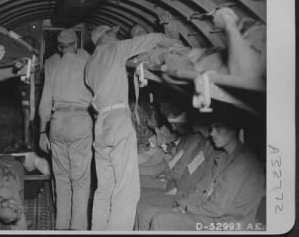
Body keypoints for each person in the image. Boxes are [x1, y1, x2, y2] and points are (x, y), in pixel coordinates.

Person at [84, 24, 183, 230]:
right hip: (118, 119)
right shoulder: (116, 49)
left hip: (100, 124)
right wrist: (178, 44)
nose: (117, 35)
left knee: (104, 190)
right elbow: (153, 38)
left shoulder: (90, 63)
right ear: (105, 36)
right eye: (113, 32)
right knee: (126, 190)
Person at [135, 112, 265, 231]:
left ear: (234, 131)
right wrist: (184, 204)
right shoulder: (225, 158)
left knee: (161, 220)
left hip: (227, 224)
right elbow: (203, 189)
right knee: (146, 213)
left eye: (218, 128)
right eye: (212, 128)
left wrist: (186, 208)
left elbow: (217, 208)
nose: (212, 133)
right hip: (209, 212)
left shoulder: (243, 162)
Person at [38, 28, 93, 230]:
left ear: (59, 48)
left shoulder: (54, 68)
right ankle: (78, 229)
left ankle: (61, 227)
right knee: (79, 180)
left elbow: (44, 105)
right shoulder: (87, 65)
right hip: (79, 120)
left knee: (61, 178)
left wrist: (42, 133)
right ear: (76, 44)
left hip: (57, 122)